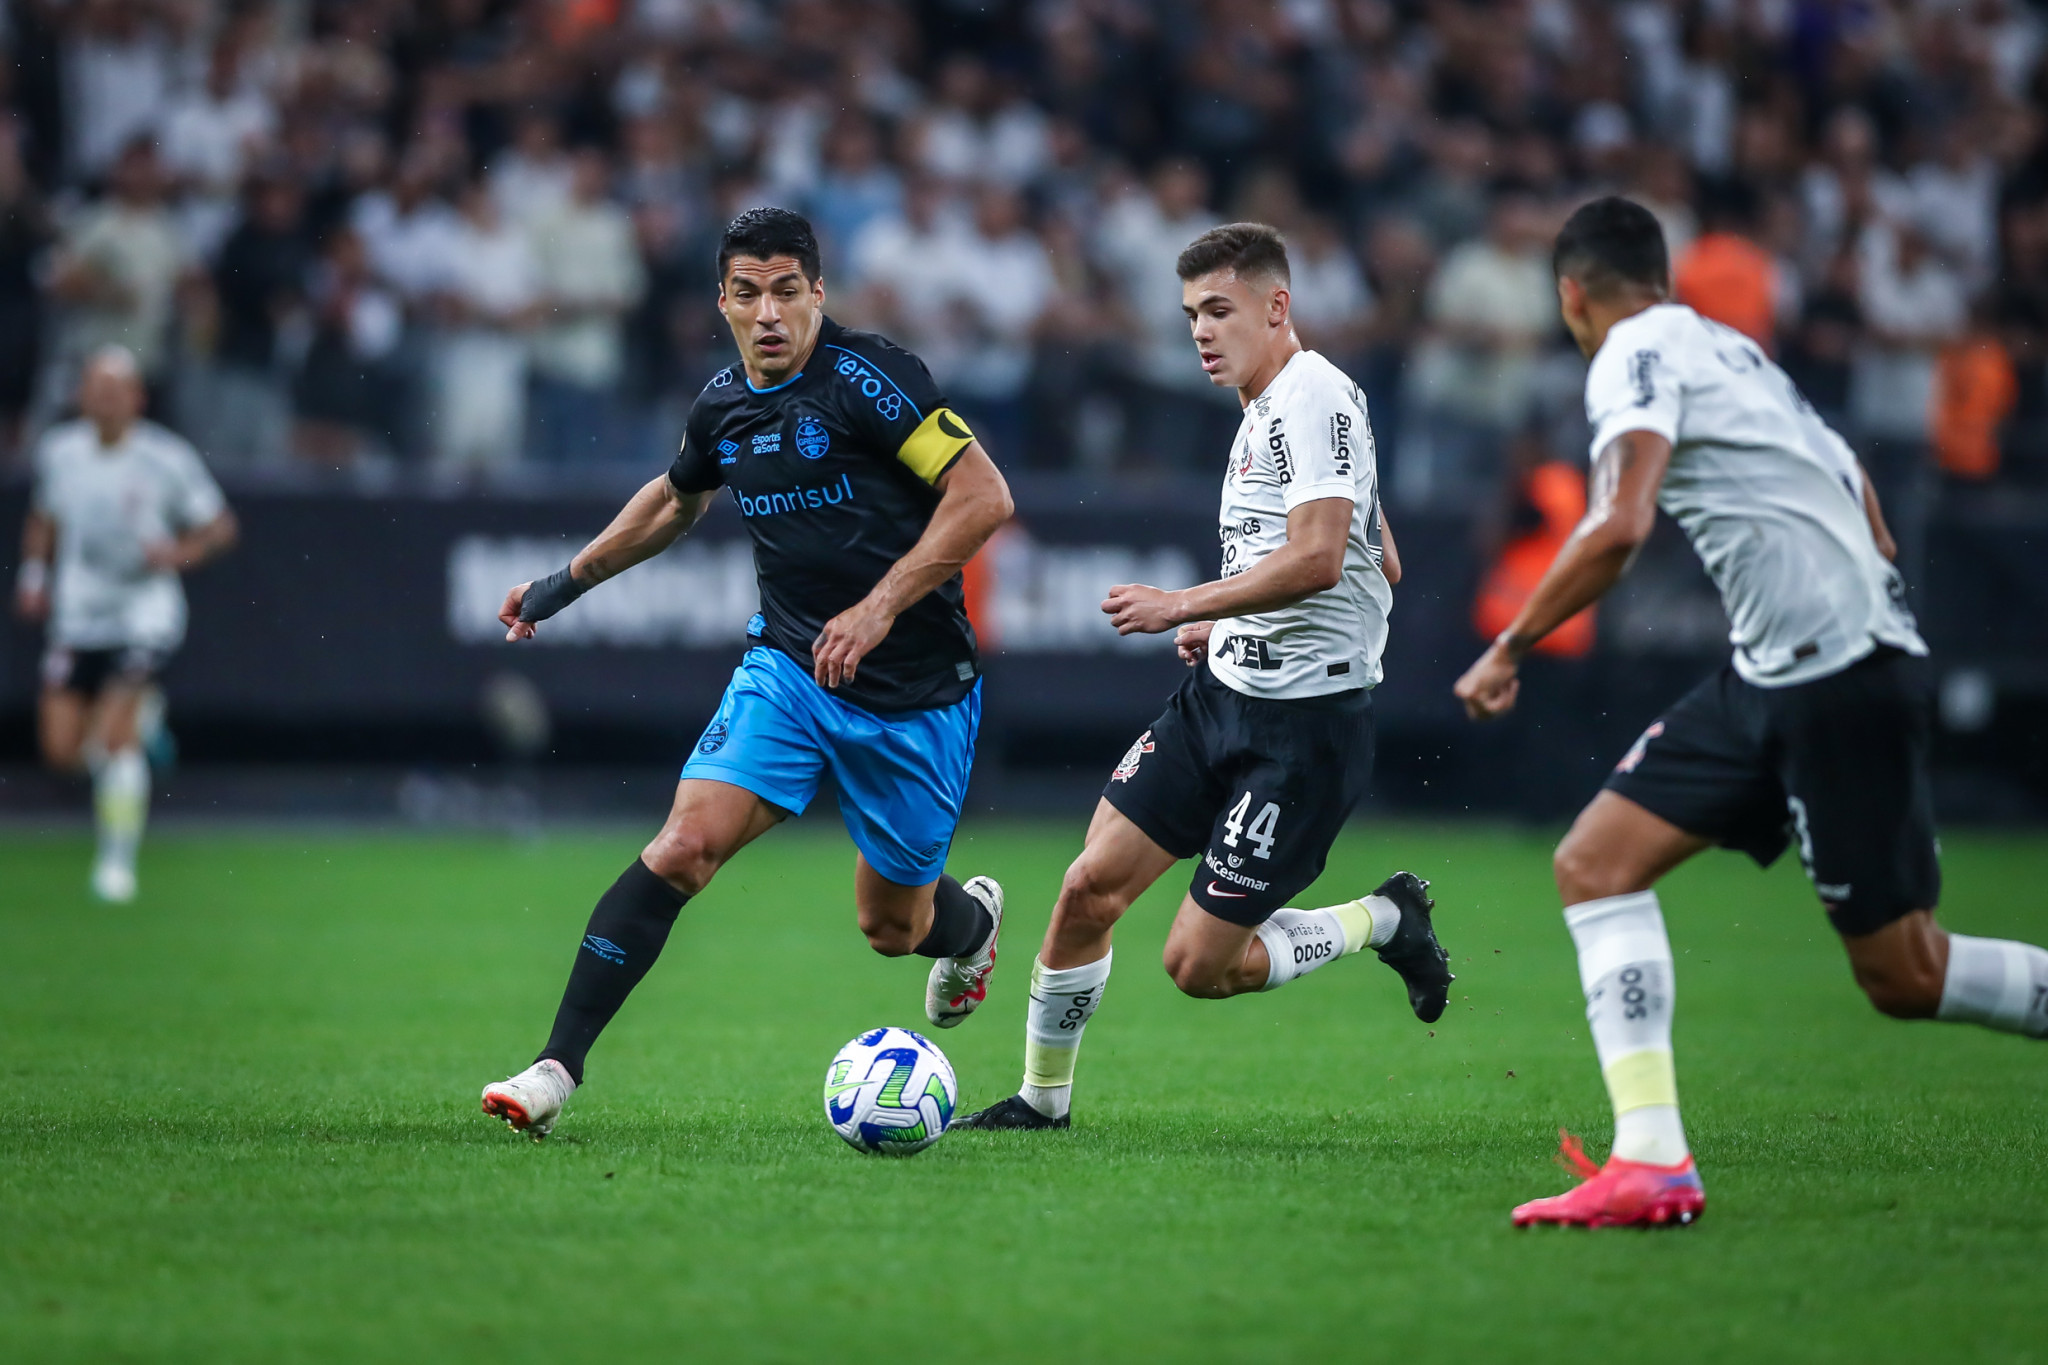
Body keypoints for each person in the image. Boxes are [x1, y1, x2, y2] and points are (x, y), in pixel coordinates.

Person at [1453, 197, 2048, 1230]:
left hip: (1833, 678)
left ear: (1569, 296)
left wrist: (1507, 646)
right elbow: (1858, 489)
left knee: (1904, 973)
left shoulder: (1625, 353)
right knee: (1593, 862)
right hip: (1773, 669)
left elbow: (1618, 523)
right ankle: (1650, 1160)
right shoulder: (1725, 348)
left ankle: (1653, 1160)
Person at [479, 208, 1016, 1139]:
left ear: (817, 292)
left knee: (891, 925)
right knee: (684, 845)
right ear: (721, 301)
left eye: (785, 290)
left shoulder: (874, 380)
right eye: (745, 293)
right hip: (790, 671)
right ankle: (554, 1069)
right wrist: (561, 585)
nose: (767, 312)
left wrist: (880, 606)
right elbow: (673, 502)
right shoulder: (723, 406)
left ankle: (967, 928)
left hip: (917, 693)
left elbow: (983, 496)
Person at [959, 223, 1453, 1133]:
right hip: (1219, 700)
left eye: (1219, 310)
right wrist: (1230, 619)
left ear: (1278, 308)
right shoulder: (1262, 404)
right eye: (1191, 314)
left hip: (1302, 735)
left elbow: (1317, 556)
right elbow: (1377, 554)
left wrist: (1186, 603)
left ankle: (1385, 918)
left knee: (1198, 967)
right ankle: (1041, 1102)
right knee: (1085, 890)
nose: (1201, 331)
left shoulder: (1315, 397)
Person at [13, 347, 236, 902]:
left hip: (144, 612)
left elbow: (219, 526)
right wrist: (34, 576)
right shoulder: (60, 452)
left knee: (115, 738)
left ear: (136, 398)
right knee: (62, 750)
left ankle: (116, 864)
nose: (104, 399)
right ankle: (148, 732)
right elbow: (44, 517)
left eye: (115, 389)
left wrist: (178, 554)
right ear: (82, 395)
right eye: (95, 388)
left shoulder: (165, 457)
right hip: (78, 613)